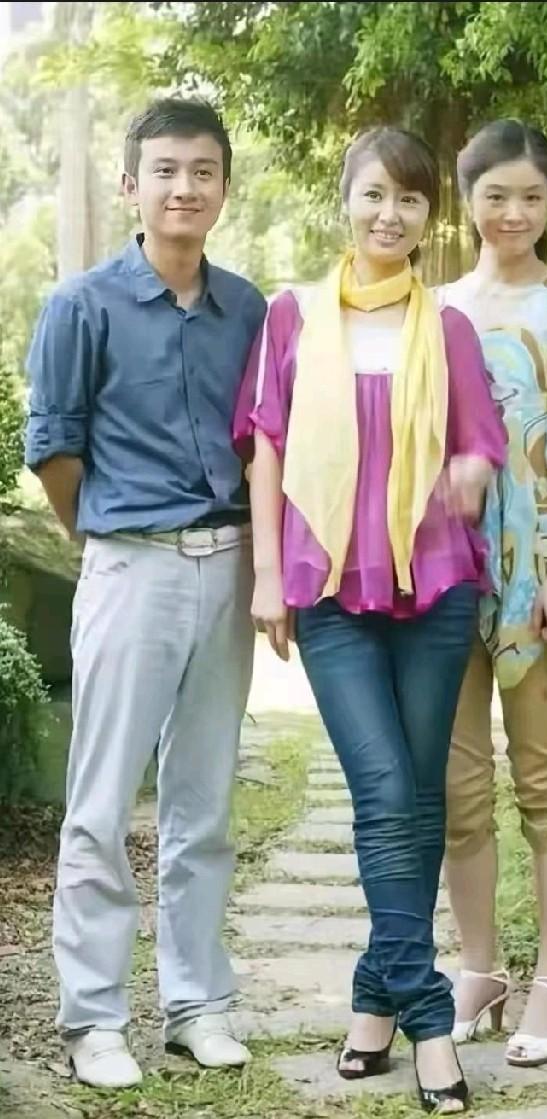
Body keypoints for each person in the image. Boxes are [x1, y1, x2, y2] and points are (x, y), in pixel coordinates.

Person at [232, 126, 506, 1114]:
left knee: (418, 797)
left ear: (430, 216)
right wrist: (269, 575)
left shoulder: (451, 328)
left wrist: (466, 470)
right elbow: (265, 445)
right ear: (345, 199)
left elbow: (480, 444)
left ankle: (373, 998)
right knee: (388, 790)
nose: (390, 214)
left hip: (435, 586)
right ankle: (430, 1014)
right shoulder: (294, 315)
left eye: (410, 200)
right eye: (375, 194)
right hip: (329, 588)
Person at [24, 98, 267, 1088]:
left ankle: (196, 1006)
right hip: (131, 562)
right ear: (131, 184)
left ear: (223, 187)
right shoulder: (82, 305)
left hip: (230, 562)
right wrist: (108, 542)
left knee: (203, 802)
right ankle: (93, 1019)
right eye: (165, 170)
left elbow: (262, 443)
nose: (184, 188)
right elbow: (55, 450)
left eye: (202, 171)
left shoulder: (247, 309)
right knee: (101, 802)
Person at [438, 119, 547, 1068]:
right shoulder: (433, 308)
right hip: (444, 569)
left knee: (544, 778)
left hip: (542, 567)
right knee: (458, 786)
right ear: (466, 198)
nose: (513, 212)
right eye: (495, 194)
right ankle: (478, 965)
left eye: (531, 196)